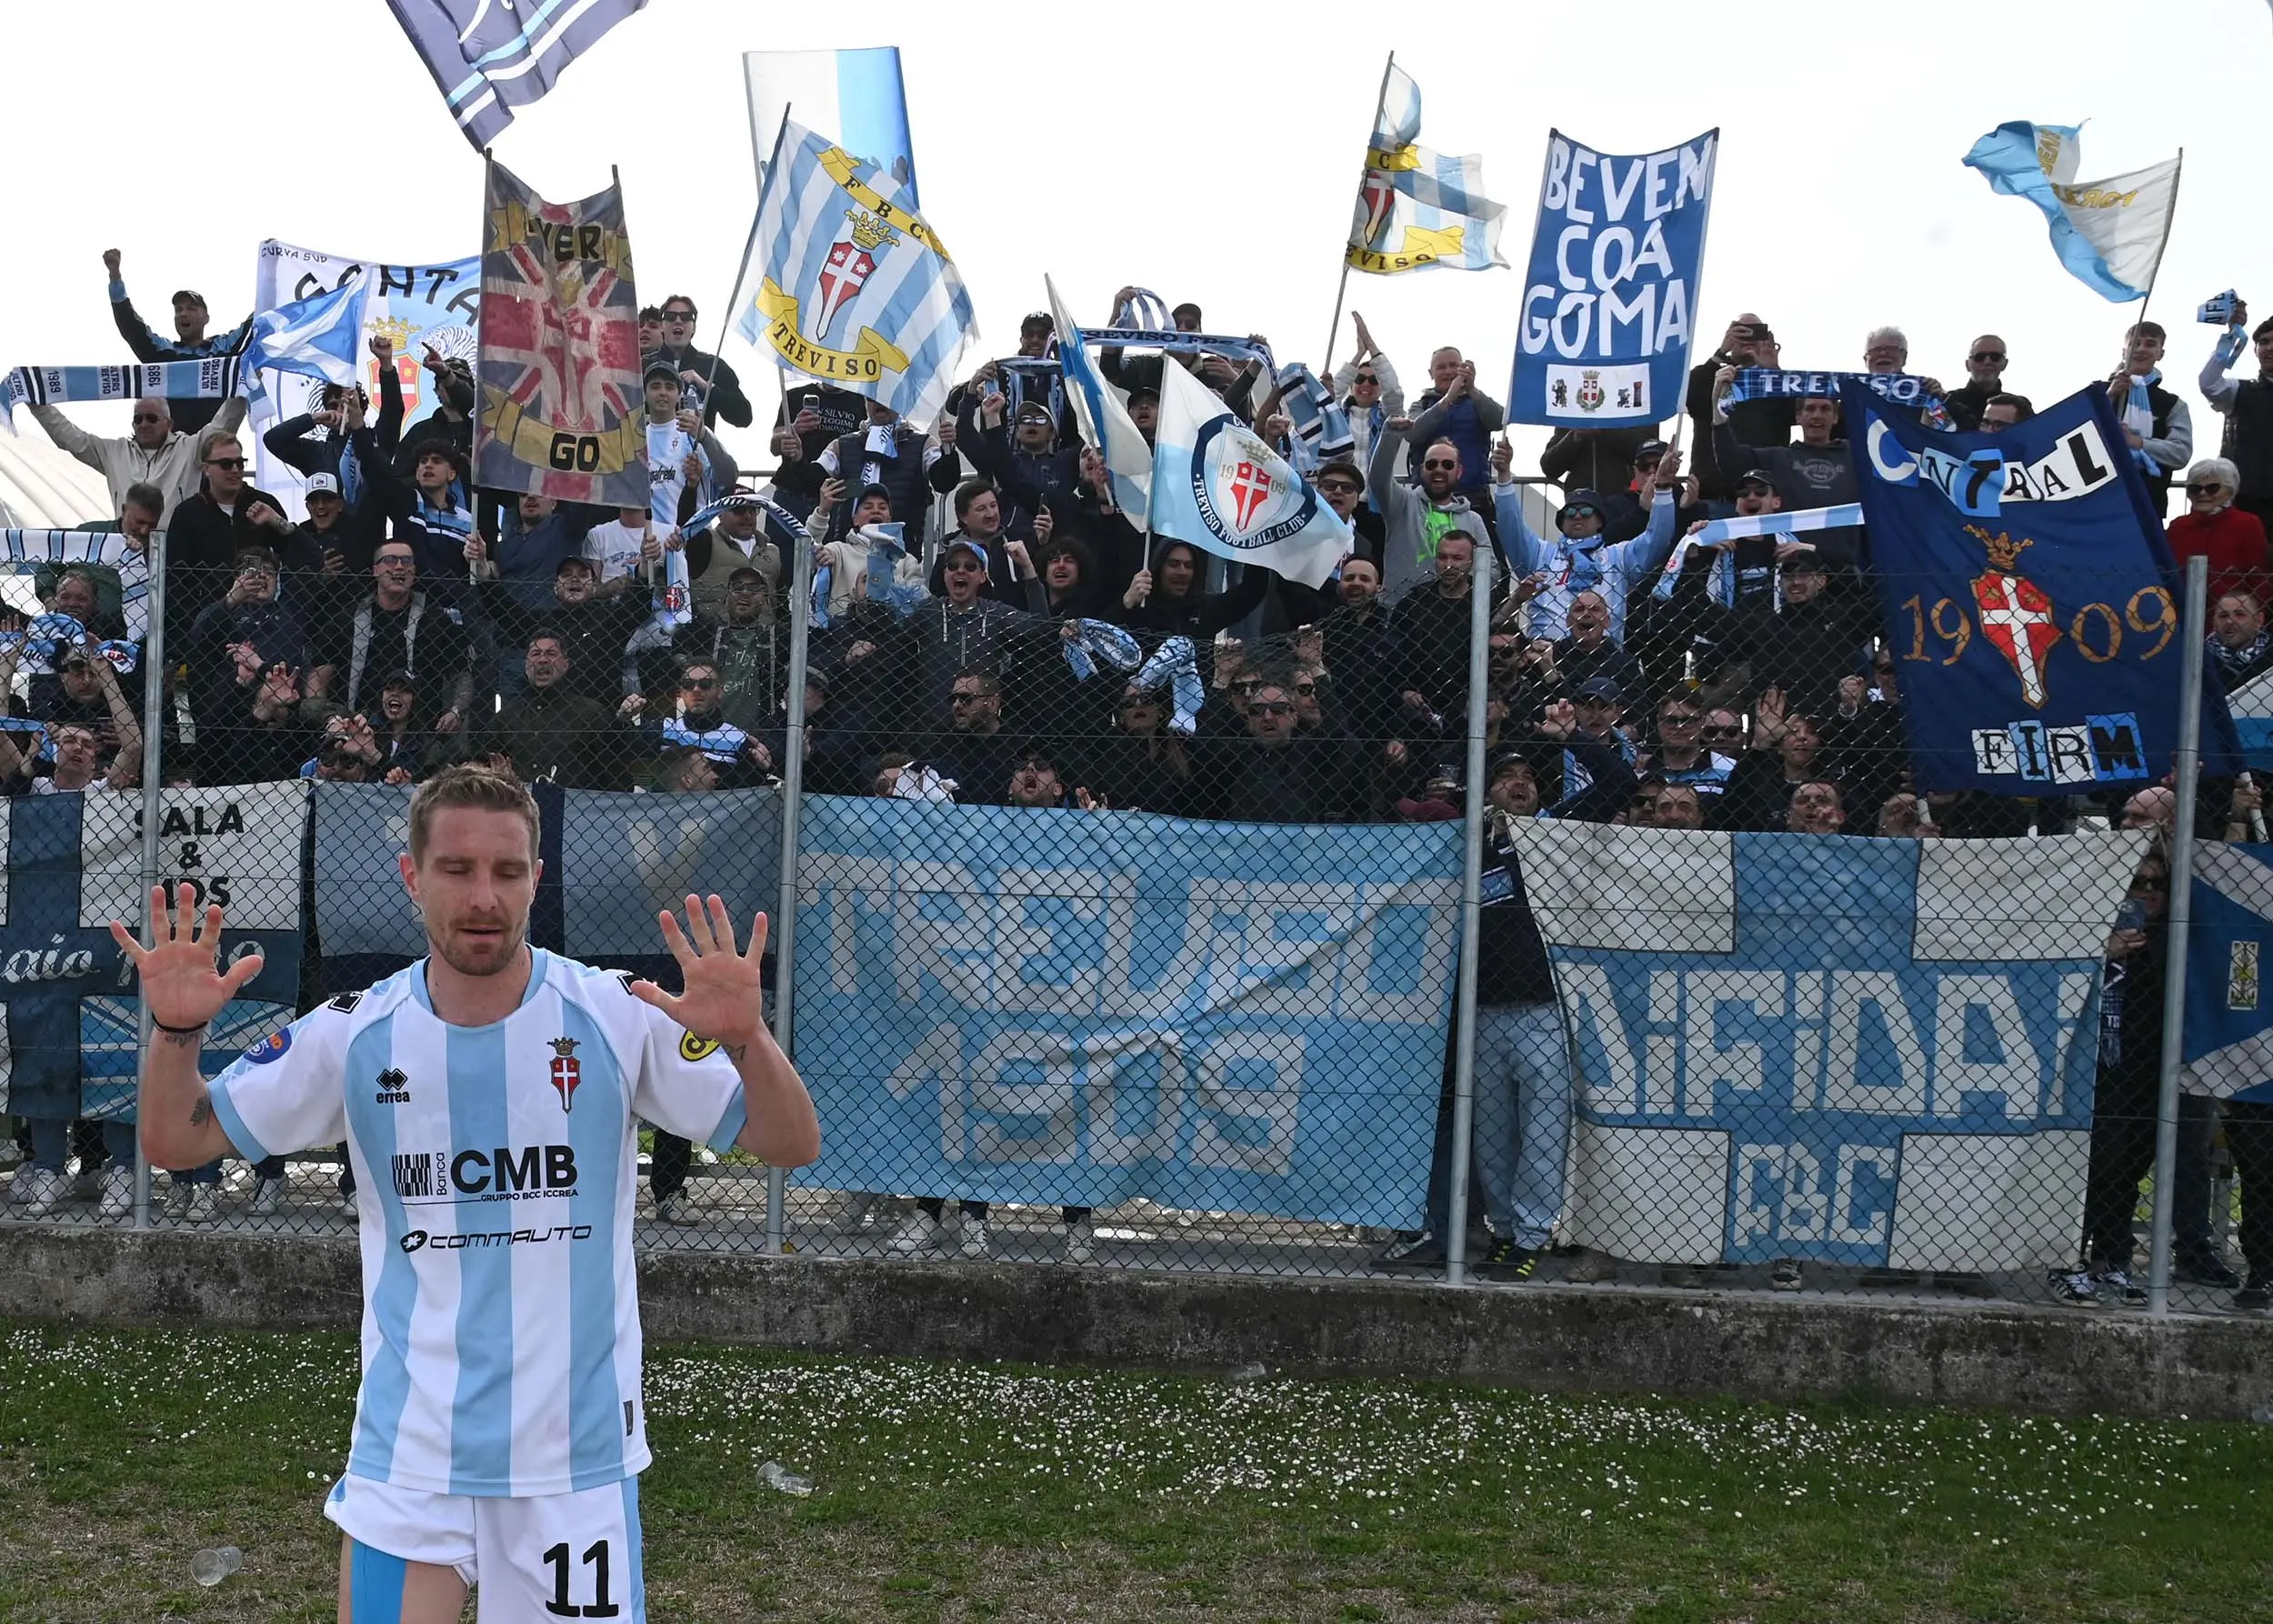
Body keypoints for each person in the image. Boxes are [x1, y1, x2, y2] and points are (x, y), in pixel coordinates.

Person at [113, 766, 818, 1618]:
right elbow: (175, 1138)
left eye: (506, 871)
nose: (483, 896)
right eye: (456, 869)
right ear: (412, 876)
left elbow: (789, 1142)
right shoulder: (354, 1030)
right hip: (413, 1457)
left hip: (574, 1458)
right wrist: (179, 1033)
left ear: (535, 880)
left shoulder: (612, 1013)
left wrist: (749, 1043)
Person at [1377, 699, 1634, 1274]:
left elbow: (1620, 782)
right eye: (1506, 778)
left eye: (1527, 779)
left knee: (1543, 1131)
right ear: (1486, 791)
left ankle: (1533, 1235)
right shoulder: (1466, 843)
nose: (1518, 785)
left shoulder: (1559, 835)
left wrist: (1577, 736)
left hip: (1545, 1008)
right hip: (1480, 1011)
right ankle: (1506, 1229)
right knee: (1490, 1139)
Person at [2056, 853, 2170, 1307]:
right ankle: (2071, 1262)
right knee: (2098, 1161)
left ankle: (2112, 1261)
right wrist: (2104, 950)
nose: (2144, 892)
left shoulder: (2176, 933)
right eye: (2135, 882)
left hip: (2147, 1066)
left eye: (2154, 883)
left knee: (2129, 1167)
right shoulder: (2084, 925)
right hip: (2094, 1065)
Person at [1490, 438, 1683, 642]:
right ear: (1561, 521)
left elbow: (1658, 538)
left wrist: (1662, 487)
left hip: (1604, 659)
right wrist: (1504, 476)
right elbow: (1510, 528)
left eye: (1586, 511)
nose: (1578, 516)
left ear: (1600, 521)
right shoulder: (1541, 553)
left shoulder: (1617, 556)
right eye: (1570, 511)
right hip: (1544, 656)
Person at [1709, 374, 1861, 566]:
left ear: (1836, 416)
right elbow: (1730, 461)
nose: (1817, 415)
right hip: (1792, 572)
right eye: (1810, 409)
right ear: (1798, 417)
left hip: (1843, 571)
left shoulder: (1858, 457)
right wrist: (1718, 406)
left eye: (1825, 409)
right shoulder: (1778, 458)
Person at [28, 388, 247, 517]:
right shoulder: (113, 451)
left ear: (169, 423)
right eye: (138, 419)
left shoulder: (190, 448)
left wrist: (243, 388)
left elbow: (224, 423)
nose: (144, 424)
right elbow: (69, 438)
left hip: (176, 551)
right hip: (127, 553)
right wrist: (37, 404)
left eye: (152, 418)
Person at [101, 247, 251, 432]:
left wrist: (270, 267)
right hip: (173, 452)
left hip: (217, 450)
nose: (183, 314)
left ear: (206, 318)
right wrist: (115, 276)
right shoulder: (163, 351)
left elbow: (257, 324)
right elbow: (130, 326)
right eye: (178, 310)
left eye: (191, 308)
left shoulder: (225, 347)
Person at [482, 632, 644, 788]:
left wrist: (622, 720)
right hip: (519, 806)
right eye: (536, 653)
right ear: (526, 665)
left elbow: (618, 756)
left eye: (551, 654)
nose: (542, 660)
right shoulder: (505, 718)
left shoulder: (590, 712)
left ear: (565, 665)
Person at [1367, 431, 1492, 602]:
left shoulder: (1473, 519)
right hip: (1400, 618)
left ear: (1459, 471)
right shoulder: (1401, 504)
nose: (1439, 469)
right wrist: (1391, 434)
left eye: (1447, 465)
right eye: (1431, 464)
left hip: (1454, 618)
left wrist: (1464, 599)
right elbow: (1378, 479)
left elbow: (1490, 570)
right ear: (1421, 469)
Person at [1683, 312, 1789, 499]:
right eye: (1741, 332)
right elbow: (1689, 397)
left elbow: (1794, 413)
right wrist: (1719, 355)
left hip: (1764, 496)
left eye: (1756, 333)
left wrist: (1773, 373)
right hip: (1713, 496)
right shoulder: (1711, 377)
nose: (1748, 339)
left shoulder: (1776, 382)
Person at [2095, 321, 2192, 516]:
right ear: (2124, 351)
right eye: (2135, 343)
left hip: (2147, 503)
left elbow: (2181, 453)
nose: (2141, 349)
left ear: (2160, 353)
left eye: (2149, 344)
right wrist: (2110, 396)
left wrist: (2139, 443)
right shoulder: (2097, 392)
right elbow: (2074, 429)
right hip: (2097, 500)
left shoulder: (2172, 404)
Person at [2199, 298, 2273, 530]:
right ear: (2255, 350)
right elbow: (2209, 383)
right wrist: (2233, 333)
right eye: (2264, 342)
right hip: (2244, 503)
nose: (2270, 347)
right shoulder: (2239, 391)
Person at [1405, 347, 1506, 511]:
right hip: (1428, 500)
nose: (1448, 371)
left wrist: (1472, 390)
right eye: (1441, 367)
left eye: (1454, 366)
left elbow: (1500, 421)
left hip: (1474, 498)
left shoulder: (1477, 402)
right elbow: (1413, 434)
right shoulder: (1420, 405)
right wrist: (1448, 399)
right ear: (1431, 373)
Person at [2167, 458, 2268, 610]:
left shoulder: (2248, 524)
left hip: (2231, 618)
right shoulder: (2178, 526)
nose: (2202, 493)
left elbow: (2259, 580)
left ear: (2229, 491)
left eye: (2212, 488)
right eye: (2195, 489)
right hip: (2179, 614)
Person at [643, 293, 753, 427]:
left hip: (697, 447)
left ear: (694, 327)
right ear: (661, 326)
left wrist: (707, 387)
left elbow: (744, 416)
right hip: (651, 446)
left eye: (686, 317)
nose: (678, 321)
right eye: (671, 317)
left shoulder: (712, 365)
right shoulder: (643, 365)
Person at [1331, 313, 1405, 471]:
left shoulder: (1387, 418)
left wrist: (1371, 347)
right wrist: (1358, 355)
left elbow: (1393, 393)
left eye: (1374, 381)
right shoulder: (1336, 417)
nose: (1366, 384)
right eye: (1359, 379)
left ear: (1380, 388)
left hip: (1376, 494)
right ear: (1351, 384)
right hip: (1340, 491)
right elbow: (1327, 397)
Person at [1945, 335, 2032, 430]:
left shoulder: (2018, 405)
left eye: (1995, 357)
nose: (1987, 362)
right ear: (1967, 365)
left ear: (2005, 364)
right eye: (1979, 357)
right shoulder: (1947, 402)